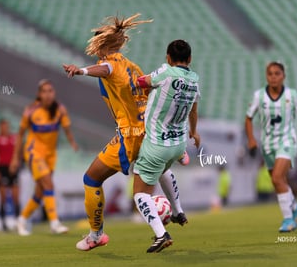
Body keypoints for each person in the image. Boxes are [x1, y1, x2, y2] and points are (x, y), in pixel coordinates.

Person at [63, 14, 188, 251]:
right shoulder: (133, 66)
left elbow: (105, 69)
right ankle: (176, 209)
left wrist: (80, 71)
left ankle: (96, 234)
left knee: (91, 179)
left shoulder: (110, 64)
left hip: (129, 136)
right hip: (149, 132)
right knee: (159, 169)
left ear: (103, 46)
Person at [132, 39, 200, 252]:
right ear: (189, 59)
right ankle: (178, 211)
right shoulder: (195, 80)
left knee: (140, 194)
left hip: (156, 144)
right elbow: (194, 111)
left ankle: (161, 234)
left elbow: (140, 82)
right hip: (178, 144)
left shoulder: (166, 72)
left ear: (168, 58)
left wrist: (157, 72)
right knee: (164, 171)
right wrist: (194, 132)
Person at [245, 61, 297, 232]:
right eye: (270, 74)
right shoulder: (259, 96)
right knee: (278, 181)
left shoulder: (292, 95)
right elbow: (248, 118)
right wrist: (251, 138)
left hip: (287, 141)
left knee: (277, 178)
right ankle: (294, 206)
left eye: (277, 73)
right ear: (266, 76)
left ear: (283, 76)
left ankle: (289, 219)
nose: (273, 77)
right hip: (267, 144)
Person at [10, 79, 79, 236]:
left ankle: (21, 219)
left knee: (40, 193)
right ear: (39, 94)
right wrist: (15, 158)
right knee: (49, 185)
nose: (48, 94)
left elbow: (67, 128)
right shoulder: (30, 111)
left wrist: (73, 142)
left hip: (50, 155)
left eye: (51, 91)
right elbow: (20, 135)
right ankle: (54, 222)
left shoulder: (60, 110)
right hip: (34, 152)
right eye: (45, 91)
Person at [0, 119, 19, 231]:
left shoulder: (14, 138)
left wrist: (16, 163)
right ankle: (3, 223)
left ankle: (18, 221)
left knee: (15, 196)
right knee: (3, 197)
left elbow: (18, 152)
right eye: (2, 126)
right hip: (2, 168)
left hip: (13, 168)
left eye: (6, 126)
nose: (5, 128)